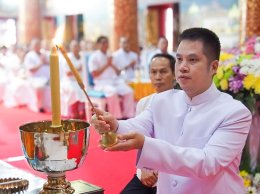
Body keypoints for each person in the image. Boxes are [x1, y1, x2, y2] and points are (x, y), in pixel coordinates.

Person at [90, 27, 252, 194]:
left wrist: (146, 144)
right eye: (179, 59)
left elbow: (207, 163)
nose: (182, 67)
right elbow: (140, 125)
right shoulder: (161, 100)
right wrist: (115, 125)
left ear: (213, 67)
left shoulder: (234, 113)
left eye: (193, 60)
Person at [121, 53, 176, 194]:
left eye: (163, 71)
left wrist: (159, 171)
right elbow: (140, 140)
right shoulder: (143, 103)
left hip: (172, 175)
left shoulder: (183, 104)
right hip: (145, 174)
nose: (158, 77)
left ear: (175, 74)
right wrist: (144, 168)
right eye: (153, 72)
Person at [88, 36, 135, 119]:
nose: (105, 44)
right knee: (113, 92)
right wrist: (107, 64)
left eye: (107, 42)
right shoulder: (94, 57)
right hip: (101, 83)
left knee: (129, 91)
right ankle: (116, 117)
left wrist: (111, 64)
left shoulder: (111, 56)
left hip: (113, 81)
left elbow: (118, 72)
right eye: (103, 42)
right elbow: (94, 74)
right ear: (98, 45)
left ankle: (128, 115)